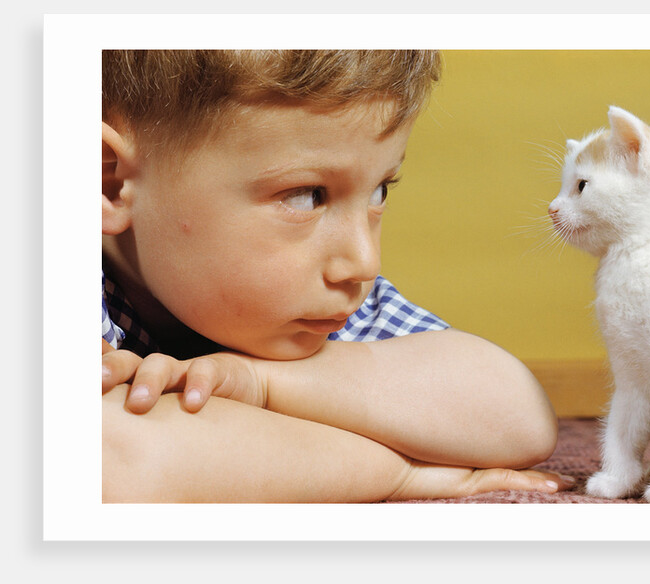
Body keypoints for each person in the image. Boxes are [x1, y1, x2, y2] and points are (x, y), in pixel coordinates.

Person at [101, 49, 566, 503]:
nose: (364, 263)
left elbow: (517, 418)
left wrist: (258, 382)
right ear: (110, 182)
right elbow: (112, 460)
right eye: (306, 196)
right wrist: (396, 472)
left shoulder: (310, 308)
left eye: (380, 190)